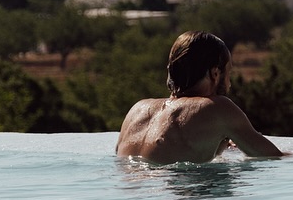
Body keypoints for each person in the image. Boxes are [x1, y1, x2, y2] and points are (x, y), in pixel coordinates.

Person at [116, 31, 284, 163]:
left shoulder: (138, 109)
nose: (230, 83)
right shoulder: (217, 107)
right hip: (176, 198)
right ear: (215, 73)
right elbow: (274, 157)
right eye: (229, 73)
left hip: (132, 197)